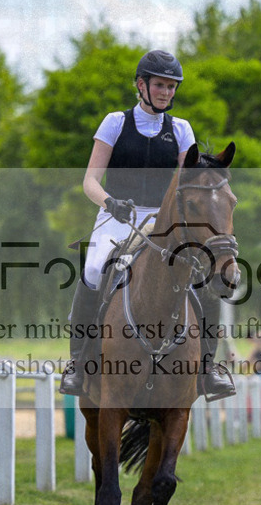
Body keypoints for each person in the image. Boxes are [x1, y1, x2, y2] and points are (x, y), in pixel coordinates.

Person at [58, 50, 234, 401]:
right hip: (117, 217)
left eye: (171, 87)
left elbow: (188, 183)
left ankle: (209, 367)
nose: (166, 92)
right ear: (141, 85)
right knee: (93, 269)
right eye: (160, 85)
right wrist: (110, 202)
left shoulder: (182, 130)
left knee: (201, 279)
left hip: (164, 221)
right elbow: (89, 181)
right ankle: (78, 363)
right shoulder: (115, 123)